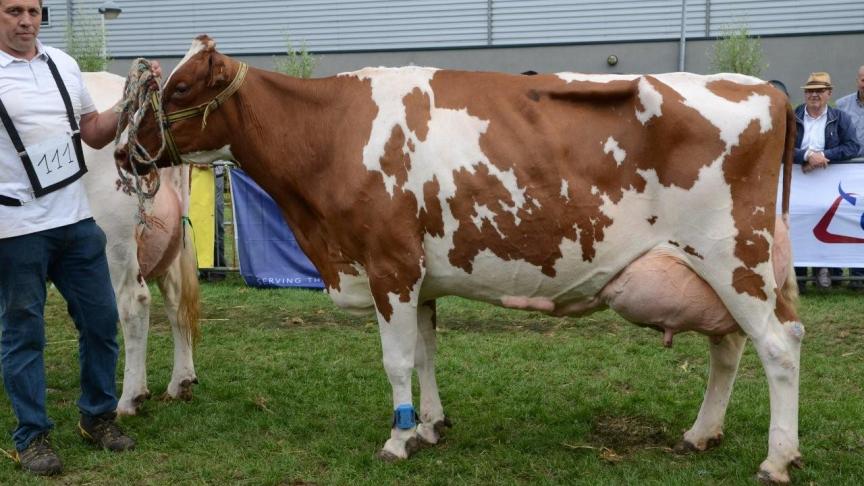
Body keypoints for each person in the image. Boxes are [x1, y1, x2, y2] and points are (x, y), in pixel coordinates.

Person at [0, 0, 160, 476]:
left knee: (101, 320)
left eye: (33, 10)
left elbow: (92, 133)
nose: (26, 20)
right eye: (13, 11)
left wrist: (128, 100)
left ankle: (97, 417)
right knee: (23, 333)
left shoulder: (64, 66)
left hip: (74, 221)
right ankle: (32, 436)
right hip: (15, 228)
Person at [793, 72, 861, 290]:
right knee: (798, 223)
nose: (814, 95)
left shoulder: (840, 117)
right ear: (804, 94)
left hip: (831, 186)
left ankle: (831, 273)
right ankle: (798, 277)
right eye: (810, 91)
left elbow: (853, 146)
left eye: (819, 91)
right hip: (799, 185)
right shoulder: (792, 117)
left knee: (834, 222)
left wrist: (824, 156)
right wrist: (806, 156)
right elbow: (782, 146)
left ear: (829, 93)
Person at [836, 65, 864, 289]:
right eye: (863, 79)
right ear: (857, 81)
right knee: (848, 218)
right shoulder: (842, 105)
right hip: (849, 171)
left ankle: (860, 272)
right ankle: (852, 273)